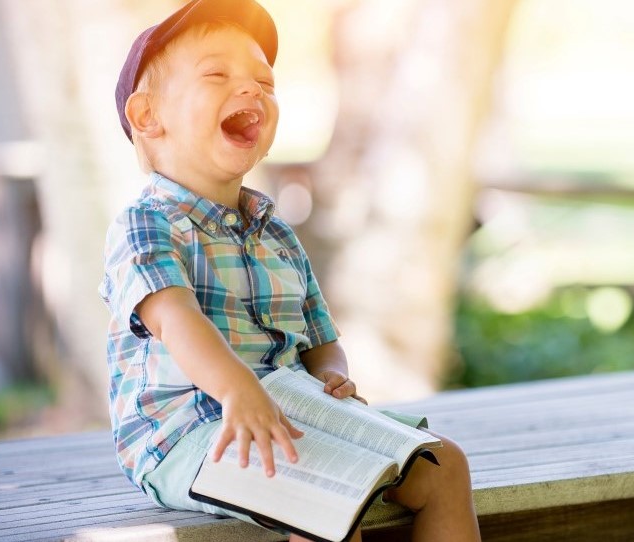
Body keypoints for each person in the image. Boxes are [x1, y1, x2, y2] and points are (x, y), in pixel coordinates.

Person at [99, 1, 480, 540]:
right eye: (217, 74)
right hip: (187, 433)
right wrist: (237, 390)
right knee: (325, 496)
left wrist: (330, 372)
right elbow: (175, 320)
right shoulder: (147, 224)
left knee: (446, 467)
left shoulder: (274, 231)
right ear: (147, 117)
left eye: (264, 80)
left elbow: (320, 336)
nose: (253, 89)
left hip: (290, 412)